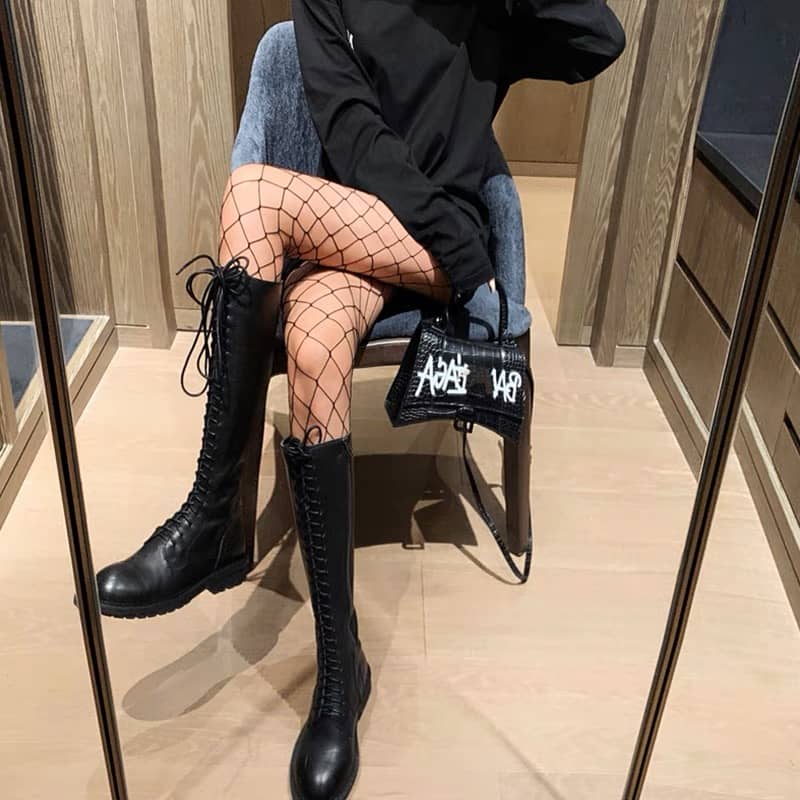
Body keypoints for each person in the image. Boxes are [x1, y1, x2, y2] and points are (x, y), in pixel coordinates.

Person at [94, 2, 625, 798]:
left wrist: (466, 261)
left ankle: (215, 517)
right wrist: (449, 251)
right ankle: (341, 670)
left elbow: (599, 39)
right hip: (359, 232)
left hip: (440, 244)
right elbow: (352, 136)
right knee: (311, 343)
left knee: (254, 197)